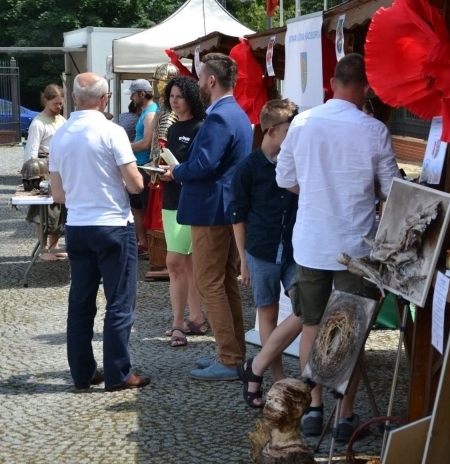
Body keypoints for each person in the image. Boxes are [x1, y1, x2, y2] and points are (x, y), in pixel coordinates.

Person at [276, 53, 399, 441]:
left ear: (332, 82)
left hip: (311, 241)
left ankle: (314, 410)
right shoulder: (373, 129)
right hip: (355, 245)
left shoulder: (302, 122)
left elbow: (285, 179)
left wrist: (315, 190)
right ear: (364, 88)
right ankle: (344, 418)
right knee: (352, 328)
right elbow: (392, 190)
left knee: (311, 325)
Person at [48, 72, 150, 392]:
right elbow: (134, 183)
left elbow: (59, 195)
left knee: (81, 302)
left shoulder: (61, 134)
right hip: (112, 225)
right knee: (119, 301)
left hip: (77, 227)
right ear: (104, 99)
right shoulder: (112, 131)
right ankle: (118, 373)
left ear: (74, 97)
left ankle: (82, 373)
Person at [164, 53, 252, 380]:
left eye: (200, 78)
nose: (197, 83)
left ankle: (230, 358)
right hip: (224, 207)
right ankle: (233, 353)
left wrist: (177, 170)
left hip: (211, 208)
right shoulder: (235, 113)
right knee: (223, 281)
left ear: (211, 80)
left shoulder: (219, 117)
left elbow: (204, 164)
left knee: (209, 281)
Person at [231, 98, 301, 408]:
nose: (296, 134)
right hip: (260, 250)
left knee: (307, 309)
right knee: (268, 315)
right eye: (291, 128)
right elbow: (238, 216)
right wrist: (243, 261)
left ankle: (254, 367)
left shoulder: (297, 160)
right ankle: (278, 381)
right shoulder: (248, 168)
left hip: (295, 251)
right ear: (271, 131)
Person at [160, 76, 207, 347]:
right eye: (172, 96)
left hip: (189, 201)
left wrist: (175, 172)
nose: (174, 101)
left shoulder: (201, 127)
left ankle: (178, 324)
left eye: (179, 96)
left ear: (191, 97)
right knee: (186, 264)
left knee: (174, 262)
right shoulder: (175, 128)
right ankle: (196, 318)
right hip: (170, 199)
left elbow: (198, 167)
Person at [23, 84, 67, 259]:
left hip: (60, 170)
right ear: (46, 100)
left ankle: (54, 245)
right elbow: (31, 153)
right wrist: (34, 175)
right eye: (56, 103)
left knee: (58, 212)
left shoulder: (62, 121)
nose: (59, 107)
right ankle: (44, 248)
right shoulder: (38, 123)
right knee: (43, 212)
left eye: (61, 104)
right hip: (43, 171)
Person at [128, 78, 159, 258]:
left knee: (144, 207)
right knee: (137, 206)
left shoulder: (150, 114)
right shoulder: (145, 112)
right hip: (139, 165)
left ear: (141, 93)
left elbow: (146, 143)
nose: (131, 98)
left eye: (133, 94)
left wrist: (125, 145)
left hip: (144, 167)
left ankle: (148, 245)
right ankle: (144, 244)